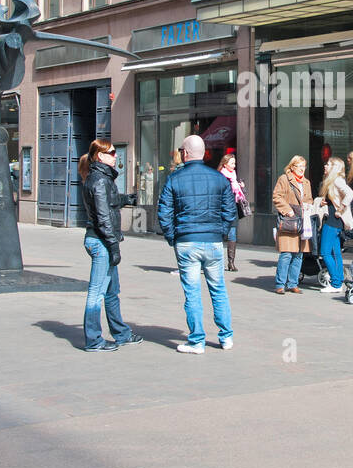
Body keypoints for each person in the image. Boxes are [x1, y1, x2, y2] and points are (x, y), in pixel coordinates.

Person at [156, 134, 236, 353]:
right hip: (213, 241)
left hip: (186, 241)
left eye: (181, 150)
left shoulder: (174, 179)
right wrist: (220, 232)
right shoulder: (219, 179)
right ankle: (226, 336)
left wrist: (173, 236)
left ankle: (197, 340)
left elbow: (164, 211)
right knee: (218, 289)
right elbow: (230, 212)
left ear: (186, 153)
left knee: (192, 291)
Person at [79, 138, 142, 352]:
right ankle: (93, 340)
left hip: (102, 239)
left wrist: (127, 199)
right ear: (100, 156)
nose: (116, 156)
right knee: (97, 292)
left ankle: (121, 334)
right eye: (112, 153)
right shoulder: (98, 180)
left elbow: (109, 202)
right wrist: (113, 246)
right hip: (101, 241)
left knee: (111, 291)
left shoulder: (102, 178)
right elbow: (103, 216)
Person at [272, 156, 314, 295]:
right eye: (299, 166)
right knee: (286, 254)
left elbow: (309, 199)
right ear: (292, 167)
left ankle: (293, 283)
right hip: (289, 220)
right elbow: (277, 196)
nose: (302, 169)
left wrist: (309, 205)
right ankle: (280, 284)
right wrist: (287, 210)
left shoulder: (306, 182)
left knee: (299, 254)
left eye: (304, 166)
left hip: (302, 221)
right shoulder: (284, 179)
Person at [316, 156, 353, 296]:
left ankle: (336, 282)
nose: (325, 166)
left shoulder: (337, 180)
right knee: (335, 252)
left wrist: (340, 209)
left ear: (334, 167)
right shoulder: (333, 181)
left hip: (333, 221)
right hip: (335, 220)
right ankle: (338, 281)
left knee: (326, 252)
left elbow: (350, 194)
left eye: (328, 164)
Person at [217, 153, 248, 272]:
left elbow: (241, 195)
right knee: (219, 236)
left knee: (233, 235)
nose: (234, 165)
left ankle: (231, 262)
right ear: (225, 164)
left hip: (233, 209)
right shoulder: (220, 176)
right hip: (223, 209)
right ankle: (216, 262)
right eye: (232, 163)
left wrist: (242, 187)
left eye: (234, 163)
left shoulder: (234, 177)